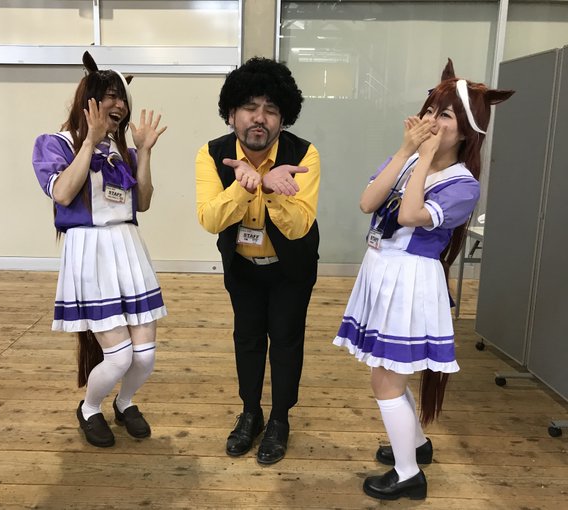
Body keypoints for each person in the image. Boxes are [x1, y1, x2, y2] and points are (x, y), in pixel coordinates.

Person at [333, 59, 513, 500]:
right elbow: (367, 202)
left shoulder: (463, 185)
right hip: (381, 270)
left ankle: (408, 474)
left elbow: (411, 214)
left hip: (410, 279)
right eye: (430, 109)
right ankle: (414, 443)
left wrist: (425, 157)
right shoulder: (409, 158)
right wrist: (405, 152)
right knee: (388, 372)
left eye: (444, 114)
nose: (431, 120)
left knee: (385, 379)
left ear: (467, 130)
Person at [32, 51, 168, 448]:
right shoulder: (54, 144)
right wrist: (89, 142)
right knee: (120, 356)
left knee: (145, 355)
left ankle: (125, 403)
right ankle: (90, 408)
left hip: (128, 247)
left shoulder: (121, 150)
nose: (120, 104)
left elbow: (143, 202)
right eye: (111, 95)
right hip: (90, 252)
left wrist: (144, 152)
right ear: (88, 99)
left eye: (122, 97)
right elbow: (62, 193)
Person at [195, 57, 320, 465]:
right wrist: (245, 187)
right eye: (250, 107)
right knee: (247, 338)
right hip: (243, 266)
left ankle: (280, 418)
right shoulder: (212, 154)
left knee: (285, 339)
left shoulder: (304, 155)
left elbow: (299, 225)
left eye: (271, 109)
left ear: (283, 118)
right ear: (232, 114)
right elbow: (210, 219)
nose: (259, 118)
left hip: (291, 266)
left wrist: (270, 188)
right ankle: (251, 412)